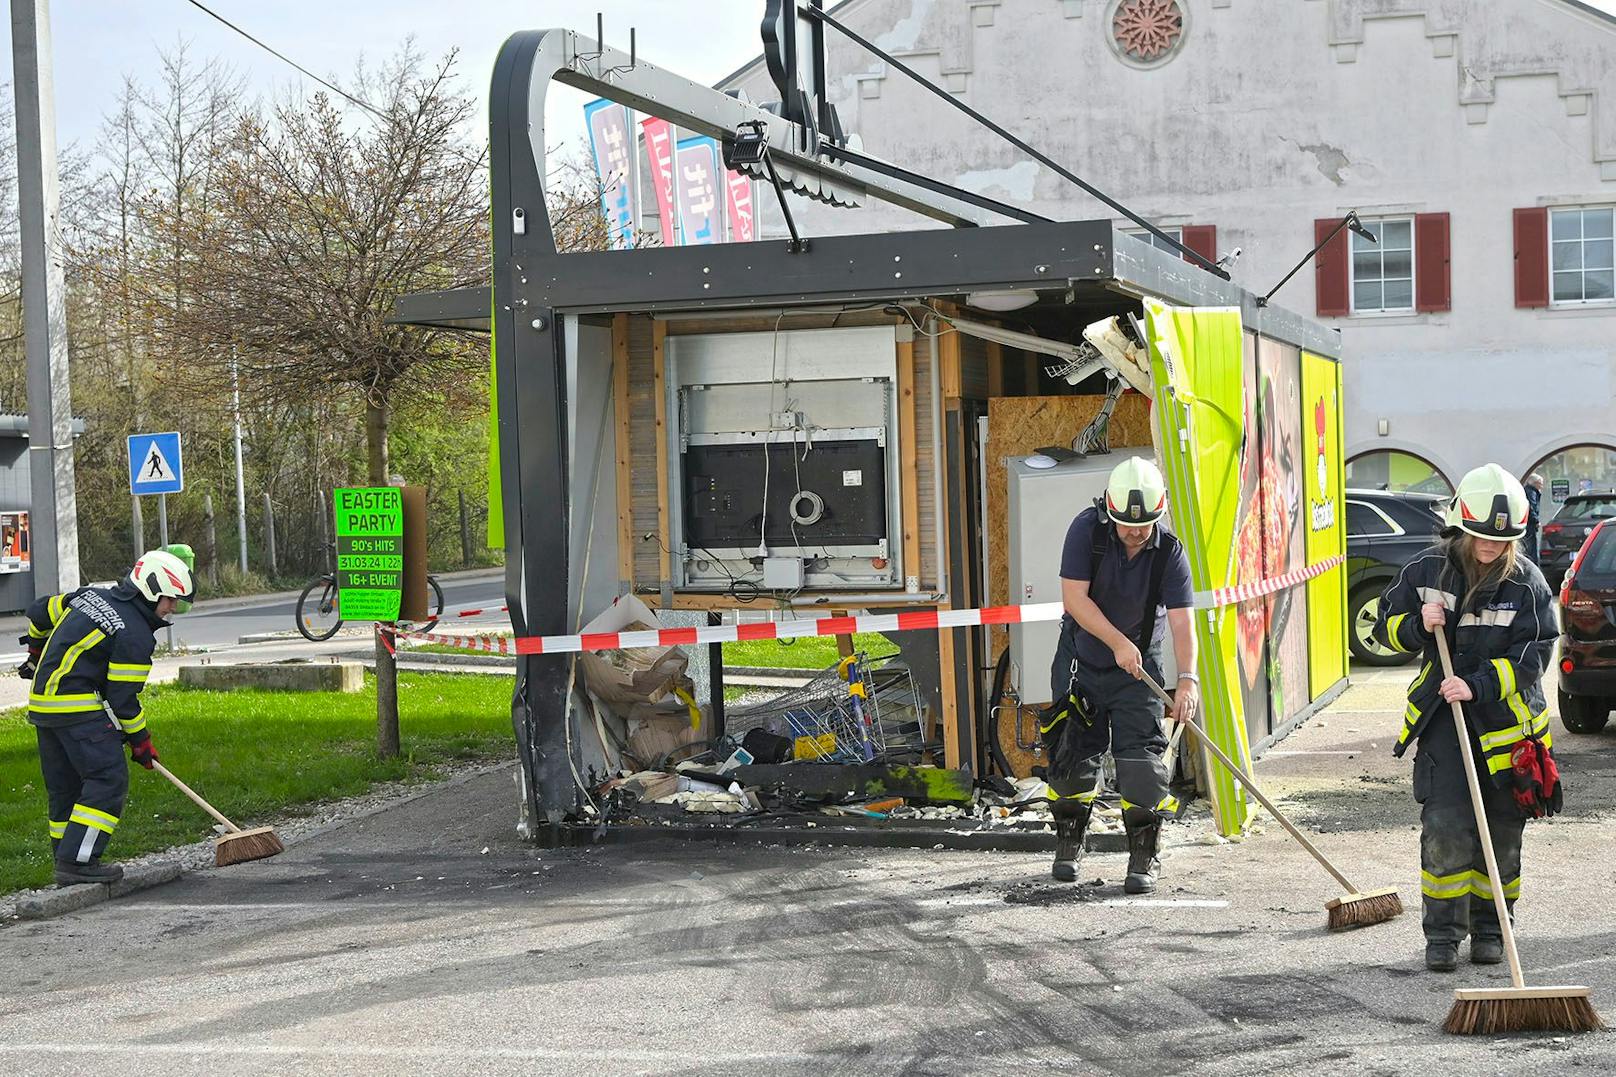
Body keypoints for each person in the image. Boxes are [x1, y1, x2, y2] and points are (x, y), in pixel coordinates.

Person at [1376, 464, 1559, 972]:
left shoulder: (1527, 583)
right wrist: (1415, 624)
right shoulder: (1426, 571)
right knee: (1446, 825)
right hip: (1443, 721)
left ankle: (1491, 929)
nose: (1491, 548)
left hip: (1508, 728)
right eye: (1481, 537)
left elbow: (1535, 655)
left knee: (1501, 830)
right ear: (1462, 525)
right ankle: (1441, 935)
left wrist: (1476, 685)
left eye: (1502, 541)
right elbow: (1383, 630)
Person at [1041, 456, 1199, 892]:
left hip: (1138, 668)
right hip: (1082, 660)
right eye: (1127, 525)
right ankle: (1070, 842)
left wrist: (1188, 679)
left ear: (1159, 512)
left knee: (1141, 765)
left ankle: (1144, 855)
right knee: (1071, 757)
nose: (1135, 532)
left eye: (1144, 525)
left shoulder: (1170, 551)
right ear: (1109, 511)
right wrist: (1115, 643)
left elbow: (1184, 622)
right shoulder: (1086, 531)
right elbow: (1075, 599)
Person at [17, 549, 195, 886]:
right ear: (151, 588)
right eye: (170, 600)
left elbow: (39, 611)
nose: (172, 608)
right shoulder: (135, 634)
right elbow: (123, 700)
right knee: (108, 779)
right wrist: (141, 742)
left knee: (65, 789)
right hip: (76, 709)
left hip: (43, 706)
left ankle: (66, 857)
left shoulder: (88, 596)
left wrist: (35, 653)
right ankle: (79, 861)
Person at [1522, 472, 1544, 564]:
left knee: (1529, 547)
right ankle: (1532, 566)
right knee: (1531, 548)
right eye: (1540, 483)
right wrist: (1536, 520)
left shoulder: (1530, 491)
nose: (1542, 486)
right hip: (1529, 525)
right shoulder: (1531, 492)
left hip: (1528, 524)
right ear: (1535, 483)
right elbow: (1531, 507)